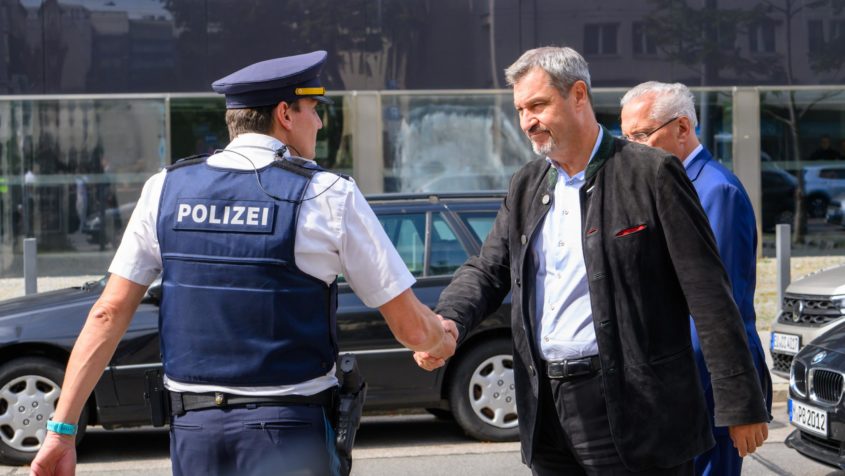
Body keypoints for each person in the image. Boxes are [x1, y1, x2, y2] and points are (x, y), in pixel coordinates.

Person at [30, 50, 457, 476]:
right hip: (289, 433)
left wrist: (61, 430)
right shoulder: (327, 194)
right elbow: (410, 327)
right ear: (285, 114)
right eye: (313, 110)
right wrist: (441, 340)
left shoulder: (165, 188)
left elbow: (107, 312)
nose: (320, 123)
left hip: (194, 432)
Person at [415, 46, 768, 475]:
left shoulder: (651, 173)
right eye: (521, 109)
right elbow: (489, 270)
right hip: (546, 407)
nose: (527, 121)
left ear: (578, 95)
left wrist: (740, 400)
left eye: (538, 105)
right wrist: (448, 320)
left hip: (636, 407)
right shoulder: (526, 185)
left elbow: (708, 292)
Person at [620, 81, 772, 476]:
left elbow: (718, 309)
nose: (631, 147)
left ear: (683, 128)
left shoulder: (715, 190)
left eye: (640, 135)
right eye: (625, 137)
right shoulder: (663, 185)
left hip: (706, 387)